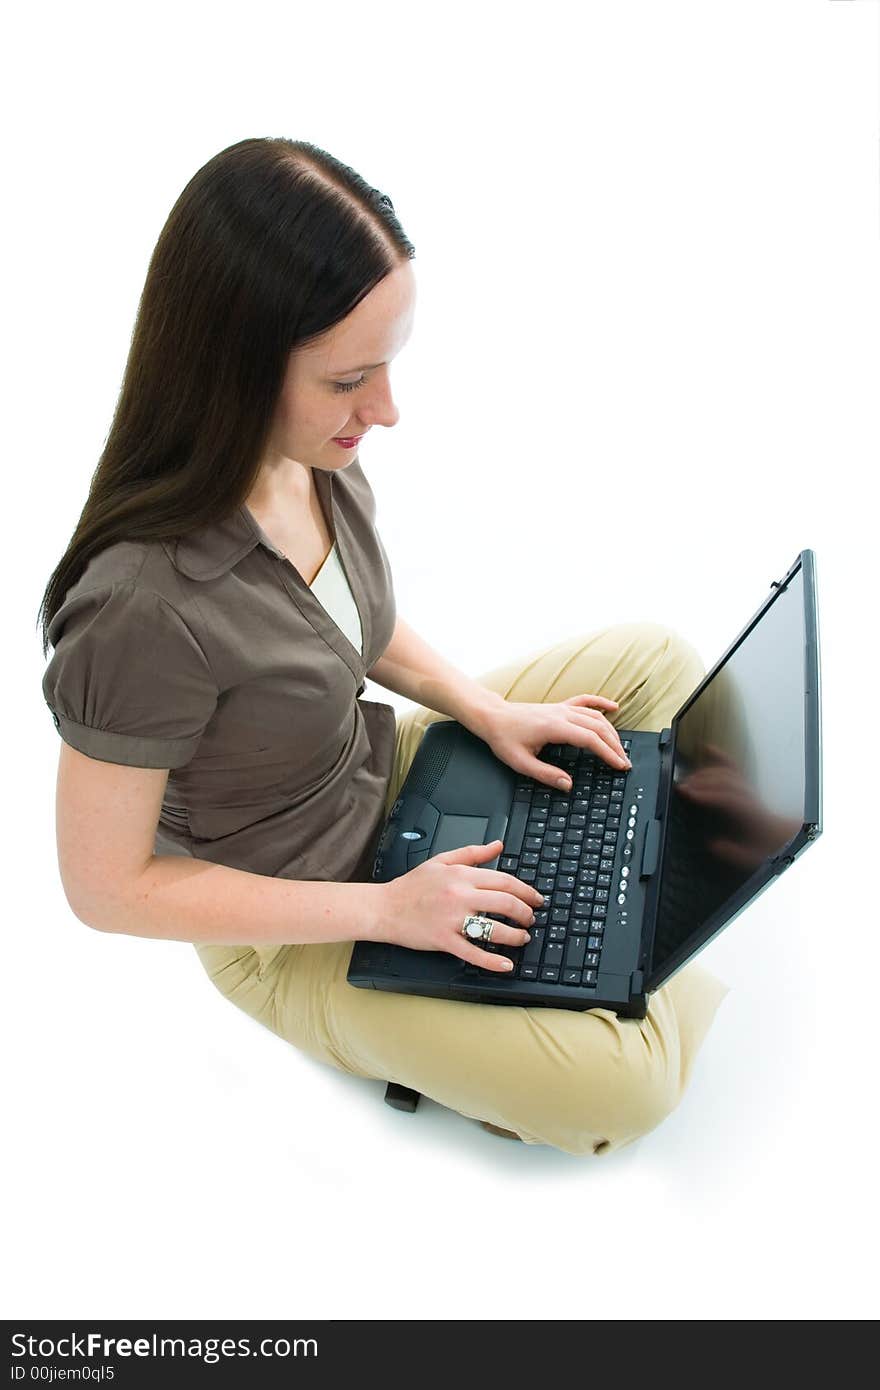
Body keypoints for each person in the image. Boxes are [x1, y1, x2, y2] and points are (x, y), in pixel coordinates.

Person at [38, 136, 729, 1157]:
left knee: (658, 663)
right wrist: (391, 910)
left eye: (389, 365)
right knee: (625, 1091)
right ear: (233, 368)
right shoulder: (139, 607)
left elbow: (344, 623)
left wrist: (482, 710)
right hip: (292, 926)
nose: (387, 410)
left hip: (383, 770)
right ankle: (605, 947)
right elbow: (104, 888)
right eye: (351, 378)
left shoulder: (307, 454)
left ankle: (591, 919)